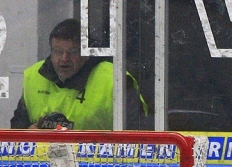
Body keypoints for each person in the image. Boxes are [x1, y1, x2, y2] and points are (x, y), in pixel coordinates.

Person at [10, 18, 146, 130]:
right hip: (42, 159)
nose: (64, 58)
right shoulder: (34, 76)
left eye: (73, 51)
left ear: (86, 54)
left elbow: (139, 135)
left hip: (100, 161)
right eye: (57, 51)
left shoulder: (115, 81)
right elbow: (16, 127)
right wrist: (28, 133)